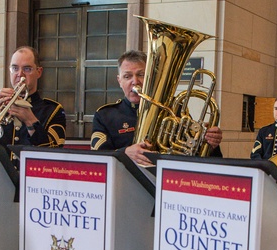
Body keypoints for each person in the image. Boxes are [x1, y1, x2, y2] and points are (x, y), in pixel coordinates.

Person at [90, 49, 222, 166]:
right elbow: (97, 160)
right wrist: (124, 153)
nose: (135, 81)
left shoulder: (173, 110)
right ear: (120, 81)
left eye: (141, 74)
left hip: (167, 184)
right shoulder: (105, 115)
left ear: (150, 78)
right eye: (127, 76)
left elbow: (194, 153)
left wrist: (209, 143)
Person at [0, 46, 65, 156]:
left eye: (27, 69)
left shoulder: (52, 111)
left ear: (39, 72)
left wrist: (31, 121)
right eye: (15, 68)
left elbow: (55, 156)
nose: (20, 74)